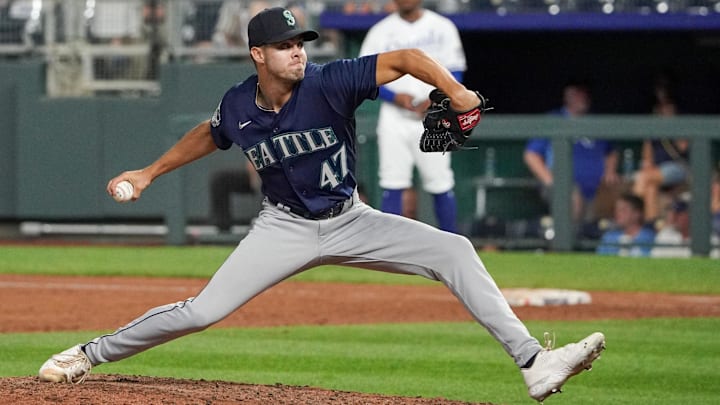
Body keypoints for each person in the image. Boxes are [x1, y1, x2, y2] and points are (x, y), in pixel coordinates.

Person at [37, 7, 605, 403]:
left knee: (453, 250)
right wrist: (148, 172)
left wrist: (455, 92)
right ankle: (87, 354)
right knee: (203, 312)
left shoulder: (332, 81)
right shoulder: (238, 103)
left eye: (300, 43)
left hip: (352, 220)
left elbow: (407, 57)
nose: (297, 53)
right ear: (259, 54)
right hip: (283, 227)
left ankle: (534, 364)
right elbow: (209, 134)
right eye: (284, 46)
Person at [358, 0, 467, 233]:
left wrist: (436, 96)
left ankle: (452, 245)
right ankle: (390, 248)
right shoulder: (380, 31)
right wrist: (394, 97)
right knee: (392, 182)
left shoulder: (442, 27)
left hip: (434, 115)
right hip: (395, 115)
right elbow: (364, 76)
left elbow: (456, 70)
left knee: (441, 183)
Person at [524, 80, 619, 229]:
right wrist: (551, 181)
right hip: (566, 185)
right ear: (568, 97)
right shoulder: (555, 119)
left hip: (597, 187)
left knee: (624, 191)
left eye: (584, 95)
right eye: (577, 94)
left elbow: (611, 152)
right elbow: (531, 155)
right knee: (571, 196)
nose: (582, 98)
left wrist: (610, 171)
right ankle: (567, 245)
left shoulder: (595, 121)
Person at [632, 80, 689, 224]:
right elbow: (647, 159)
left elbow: (683, 148)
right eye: (661, 109)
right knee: (650, 188)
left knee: (644, 178)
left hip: (679, 168)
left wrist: (671, 127)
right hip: (657, 172)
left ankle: (632, 218)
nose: (664, 111)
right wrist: (647, 165)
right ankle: (652, 225)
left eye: (668, 108)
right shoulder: (654, 129)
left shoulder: (682, 125)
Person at [210, 160, 261, 232]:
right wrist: (254, 178)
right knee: (220, 179)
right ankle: (223, 228)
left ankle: (266, 225)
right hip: (257, 175)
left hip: (275, 178)